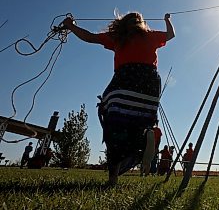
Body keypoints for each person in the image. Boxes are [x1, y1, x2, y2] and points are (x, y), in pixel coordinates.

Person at [62, 12, 175, 185]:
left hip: (125, 78)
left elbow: (90, 37)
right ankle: (147, 136)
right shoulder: (150, 36)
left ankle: (113, 177)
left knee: (112, 119)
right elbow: (170, 35)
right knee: (141, 119)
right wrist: (167, 21)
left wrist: (70, 25)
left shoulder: (118, 37)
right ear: (142, 24)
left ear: (123, 24)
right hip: (149, 82)